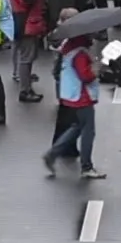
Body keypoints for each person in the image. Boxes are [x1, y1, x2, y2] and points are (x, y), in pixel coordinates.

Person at [41, 20, 105, 180]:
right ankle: (86, 167)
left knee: (77, 126)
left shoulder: (68, 47)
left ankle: (53, 153)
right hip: (82, 96)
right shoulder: (80, 53)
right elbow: (86, 76)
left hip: (71, 95)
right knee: (88, 130)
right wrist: (96, 69)